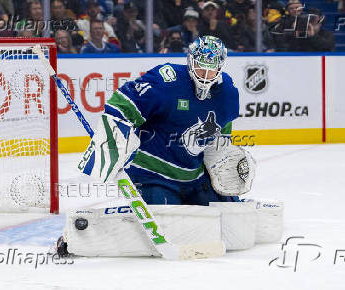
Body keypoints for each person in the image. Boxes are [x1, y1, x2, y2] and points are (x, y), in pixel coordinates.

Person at [57, 36, 256, 257]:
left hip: (194, 177)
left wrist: (221, 159)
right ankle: (73, 236)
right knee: (167, 225)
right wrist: (114, 141)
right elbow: (121, 103)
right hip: (153, 176)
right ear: (190, 61)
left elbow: (223, 129)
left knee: (230, 217)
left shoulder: (228, 92)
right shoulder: (167, 81)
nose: (205, 76)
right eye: (200, 68)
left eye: (211, 70)